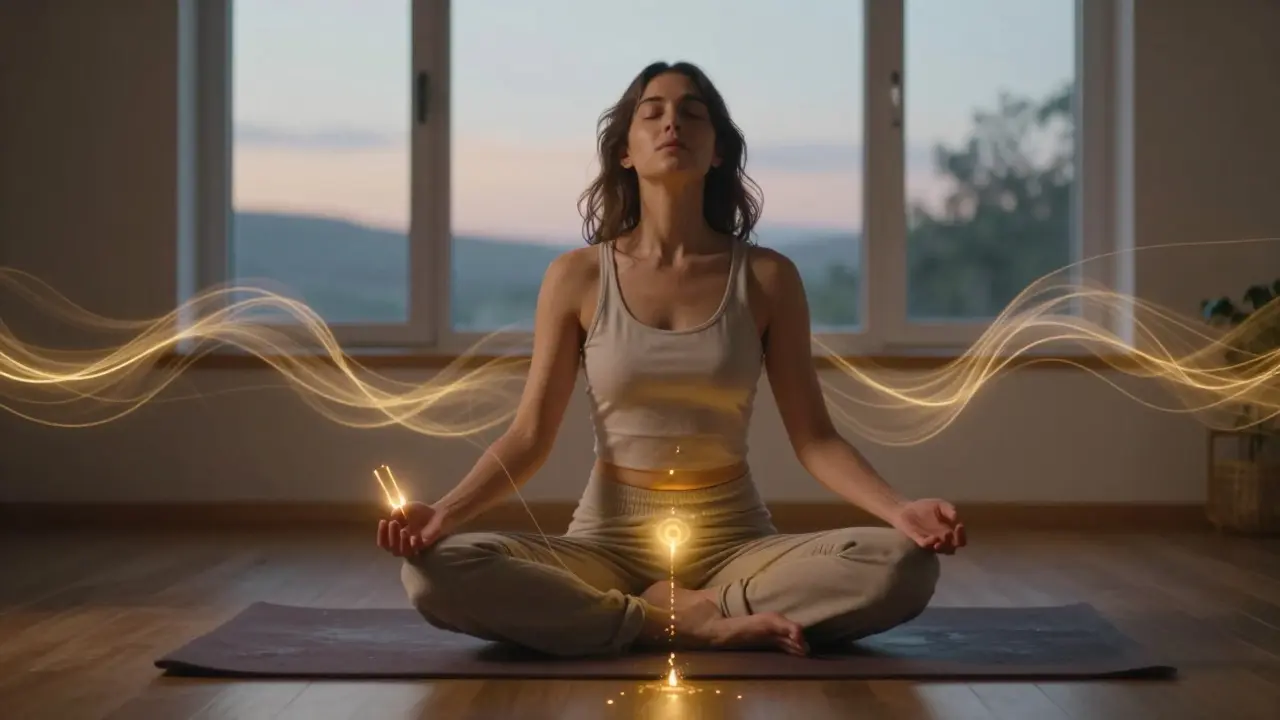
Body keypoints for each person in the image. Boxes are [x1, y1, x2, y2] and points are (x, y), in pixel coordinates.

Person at [376, 60, 965, 658]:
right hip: (605, 546)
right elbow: (529, 435)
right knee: (435, 570)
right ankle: (676, 622)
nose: (671, 123)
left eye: (692, 112)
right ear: (625, 151)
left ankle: (663, 616)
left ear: (717, 151)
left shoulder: (768, 278)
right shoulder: (576, 277)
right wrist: (443, 515)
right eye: (651, 112)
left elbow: (814, 438)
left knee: (902, 566)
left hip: (735, 546)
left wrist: (900, 510)